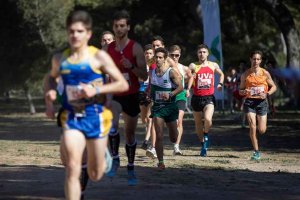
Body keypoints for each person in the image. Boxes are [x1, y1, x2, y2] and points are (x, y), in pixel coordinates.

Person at [44, 10, 129, 200]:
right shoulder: (60, 59)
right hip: (72, 117)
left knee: (95, 174)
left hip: (96, 118)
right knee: (72, 167)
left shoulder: (98, 57)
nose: (75, 35)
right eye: (71, 31)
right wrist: (49, 98)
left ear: (88, 34)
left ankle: (102, 155)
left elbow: (122, 83)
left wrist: (96, 90)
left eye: (79, 31)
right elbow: (50, 78)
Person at [103, 10, 148, 185]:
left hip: (131, 94)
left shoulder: (135, 48)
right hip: (114, 94)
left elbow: (143, 75)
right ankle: (115, 158)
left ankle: (130, 166)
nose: (119, 29)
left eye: (122, 26)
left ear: (128, 27)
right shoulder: (106, 49)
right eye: (116, 26)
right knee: (111, 125)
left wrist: (131, 67)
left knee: (129, 134)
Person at [187, 44, 224, 157]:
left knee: (208, 119)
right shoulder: (194, 65)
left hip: (209, 98)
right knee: (198, 123)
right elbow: (187, 75)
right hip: (196, 98)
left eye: (204, 52)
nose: (202, 54)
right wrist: (188, 87)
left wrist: (220, 83)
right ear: (197, 54)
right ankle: (203, 144)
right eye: (200, 52)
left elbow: (221, 74)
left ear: (207, 53)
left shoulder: (213, 65)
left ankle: (206, 134)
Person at [239, 50, 277, 160]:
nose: (256, 61)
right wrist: (243, 92)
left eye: (258, 59)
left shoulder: (265, 73)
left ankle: (260, 134)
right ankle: (256, 151)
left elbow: (274, 87)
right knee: (252, 127)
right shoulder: (245, 74)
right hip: (250, 102)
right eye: (254, 59)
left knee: (261, 130)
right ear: (250, 59)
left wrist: (267, 94)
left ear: (260, 61)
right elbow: (240, 90)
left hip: (262, 103)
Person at [150, 47, 183, 169]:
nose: (157, 59)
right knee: (159, 135)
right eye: (156, 57)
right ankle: (161, 162)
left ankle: (175, 136)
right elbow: (152, 89)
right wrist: (149, 97)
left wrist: (170, 94)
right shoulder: (152, 72)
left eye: (160, 57)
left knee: (173, 137)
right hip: (158, 108)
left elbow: (180, 87)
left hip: (170, 107)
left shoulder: (171, 72)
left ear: (164, 59)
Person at [169, 45, 193, 155]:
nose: (174, 57)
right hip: (168, 96)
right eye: (172, 55)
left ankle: (176, 146)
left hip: (180, 96)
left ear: (180, 55)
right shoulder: (166, 68)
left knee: (179, 120)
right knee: (171, 122)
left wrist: (188, 88)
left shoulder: (184, 68)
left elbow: (191, 76)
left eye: (177, 55)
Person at [140, 44, 156, 157]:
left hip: (151, 93)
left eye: (150, 53)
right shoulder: (140, 65)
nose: (148, 55)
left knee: (150, 117)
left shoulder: (155, 65)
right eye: (146, 53)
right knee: (144, 118)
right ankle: (148, 134)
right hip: (141, 92)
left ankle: (147, 140)